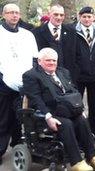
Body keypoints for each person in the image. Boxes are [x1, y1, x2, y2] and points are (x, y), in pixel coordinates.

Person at [22, 48, 95, 171]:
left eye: (54, 60)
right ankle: (77, 161)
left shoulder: (63, 72)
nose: (52, 63)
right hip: (49, 111)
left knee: (82, 121)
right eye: (48, 60)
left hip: (67, 110)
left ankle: (93, 156)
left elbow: (73, 91)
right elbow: (36, 99)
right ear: (39, 61)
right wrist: (48, 117)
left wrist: (80, 109)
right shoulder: (31, 76)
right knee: (66, 124)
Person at [0, 3, 38, 165]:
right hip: (3, 83)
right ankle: (0, 150)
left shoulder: (27, 34)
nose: (14, 16)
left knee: (21, 117)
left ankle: (18, 145)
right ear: (3, 14)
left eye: (17, 13)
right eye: (11, 13)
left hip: (25, 84)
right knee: (3, 119)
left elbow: (35, 59)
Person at [74, 6, 95, 138]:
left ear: (93, 18)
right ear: (80, 17)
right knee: (76, 105)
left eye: (89, 17)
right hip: (79, 76)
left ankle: (94, 129)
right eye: (84, 16)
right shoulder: (73, 31)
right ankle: (76, 130)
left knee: (94, 104)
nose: (87, 19)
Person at [32, 4, 78, 83]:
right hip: (45, 78)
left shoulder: (71, 32)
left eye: (61, 15)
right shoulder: (36, 32)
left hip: (67, 77)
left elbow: (76, 54)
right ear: (49, 14)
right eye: (56, 14)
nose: (59, 17)